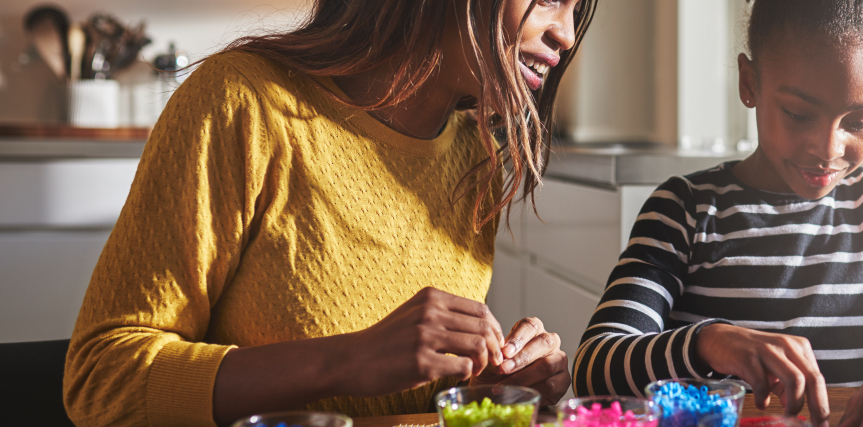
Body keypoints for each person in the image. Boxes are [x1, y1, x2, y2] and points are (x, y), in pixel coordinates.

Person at [62, 0, 596, 425]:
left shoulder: (474, 156)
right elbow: (102, 382)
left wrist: (484, 394)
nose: (567, 35)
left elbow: (397, 405)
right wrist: (345, 361)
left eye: (576, 8)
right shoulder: (243, 104)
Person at [572, 1, 863, 426]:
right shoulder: (684, 209)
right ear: (749, 82)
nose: (828, 148)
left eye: (860, 121)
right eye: (799, 114)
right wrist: (709, 342)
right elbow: (593, 370)